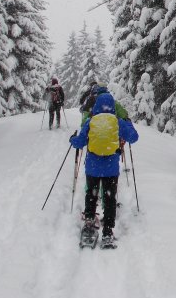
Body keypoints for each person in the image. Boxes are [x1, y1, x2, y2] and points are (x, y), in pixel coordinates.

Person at [70, 91, 139, 247]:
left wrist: (72, 138)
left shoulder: (91, 121)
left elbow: (79, 142)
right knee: (109, 199)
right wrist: (127, 122)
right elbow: (133, 138)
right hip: (111, 168)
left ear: (97, 106)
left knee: (91, 195)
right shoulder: (117, 122)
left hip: (93, 167)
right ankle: (107, 231)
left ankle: (89, 223)